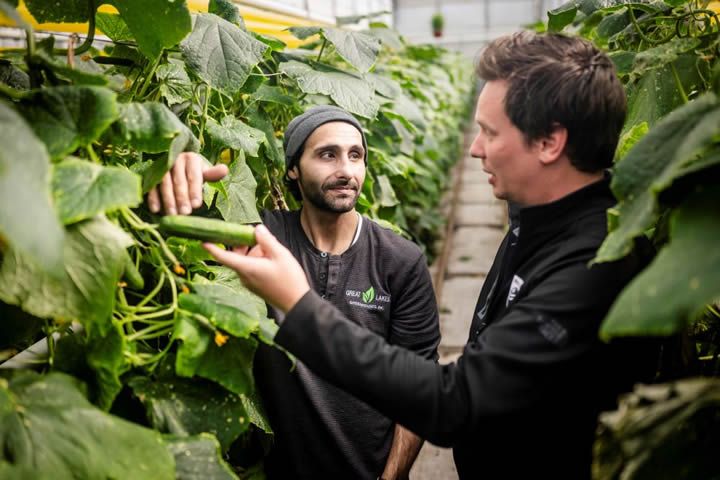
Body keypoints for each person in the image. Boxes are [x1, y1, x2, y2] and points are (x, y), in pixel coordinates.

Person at [202, 31, 660, 479]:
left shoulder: (595, 263)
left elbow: (454, 400)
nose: (474, 148)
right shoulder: (538, 221)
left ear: (549, 142)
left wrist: (300, 308)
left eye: (488, 132)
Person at [149, 106, 441, 479]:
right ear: (293, 168)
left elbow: (416, 387)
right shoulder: (258, 238)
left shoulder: (401, 261)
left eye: (356, 155)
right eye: (327, 154)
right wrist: (179, 172)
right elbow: (167, 219)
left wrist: (392, 477)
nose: (346, 170)